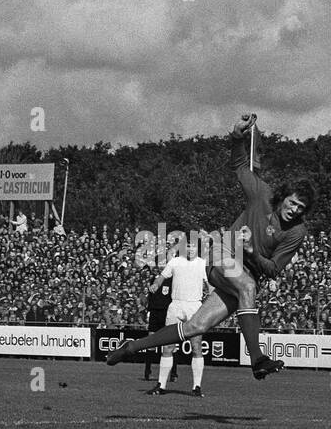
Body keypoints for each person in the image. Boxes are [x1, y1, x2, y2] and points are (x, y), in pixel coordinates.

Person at [106, 114, 316, 379]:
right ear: (283, 196)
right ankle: (258, 359)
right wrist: (238, 136)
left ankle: (132, 347)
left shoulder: (297, 231)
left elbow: (273, 269)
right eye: (292, 202)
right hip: (224, 253)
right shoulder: (263, 194)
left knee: (195, 326)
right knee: (248, 287)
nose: (294, 210)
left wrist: (252, 253)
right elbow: (240, 166)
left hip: (246, 272)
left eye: (301, 208)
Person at [148, 233, 208, 396]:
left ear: (198, 248)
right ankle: (161, 385)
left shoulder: (203, 264)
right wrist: (155, 284)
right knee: (168, 347)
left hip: (194, 307)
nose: (190, 248)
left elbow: (211, 285)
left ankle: (196, 387)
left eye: (193, 245)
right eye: (188, 245)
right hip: (175, 306)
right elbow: (162, 277)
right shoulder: (175, 262)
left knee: (196, 347)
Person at [143, 271, 176, 383]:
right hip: (154, 313)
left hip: (167, 313)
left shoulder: (172, 280)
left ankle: (173, 373)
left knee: (169, 343)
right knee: (150, 341)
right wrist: (149, 312)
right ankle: (147, 371)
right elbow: (150, 296)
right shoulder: (154, 279)